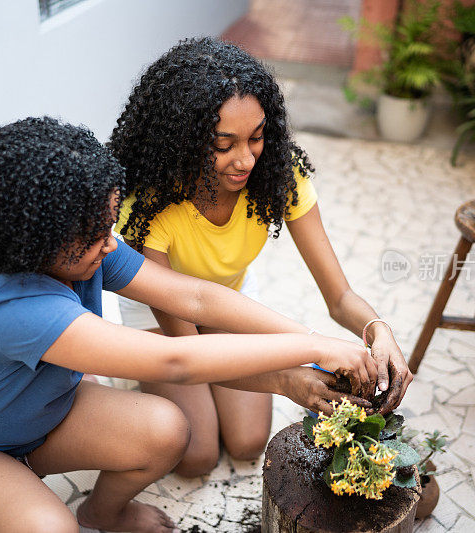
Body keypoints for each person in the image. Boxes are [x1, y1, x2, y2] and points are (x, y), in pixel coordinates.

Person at [0, 117, 379, 533]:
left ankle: (106, 513)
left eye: (108, 228)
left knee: (166, 429)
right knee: (51, 529)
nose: (110, 244)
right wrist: (308, 349)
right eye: (95, 235)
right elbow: (176, 360)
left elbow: (194, 295)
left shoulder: (85, 244)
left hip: (40, 419)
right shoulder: (16, 308)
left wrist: (310, 345)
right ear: (36, 244)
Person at [110, 37, 413, 478]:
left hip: (228, 298)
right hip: (166, 320)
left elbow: (340, 295)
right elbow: (190, 347)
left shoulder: (278, 175)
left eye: (256, 137)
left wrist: (377, 330)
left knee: (249, 442)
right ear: (182, 139)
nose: (245, 159)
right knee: (195, 458)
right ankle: (129, 365)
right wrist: (284, 377)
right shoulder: (147, 208)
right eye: (223, 144)